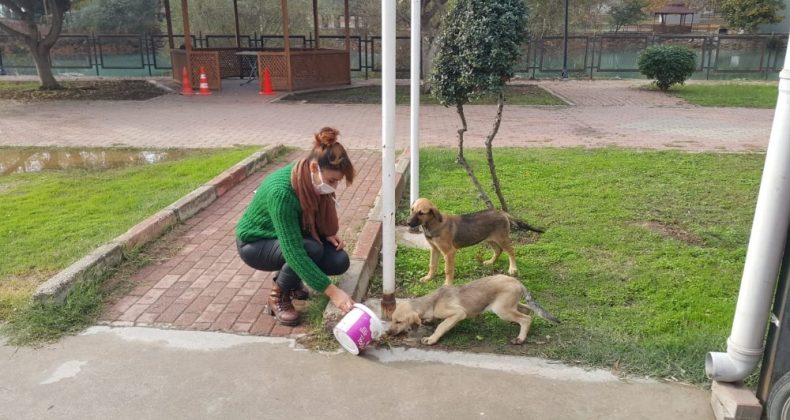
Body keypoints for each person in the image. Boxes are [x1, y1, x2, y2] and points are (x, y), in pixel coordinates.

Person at [236, 127, 356, 326]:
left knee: (339, 260)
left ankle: (291, 281)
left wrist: (326, 234)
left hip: (282, 237)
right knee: (310, 249)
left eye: (337, 182)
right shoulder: (282, 192)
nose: (333, 188)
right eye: (331, 181)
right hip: (255, 243)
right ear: (314, 168)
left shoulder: (309, 180)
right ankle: (277, 297)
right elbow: (294, 252)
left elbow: (309, 222)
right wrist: (334, 293)